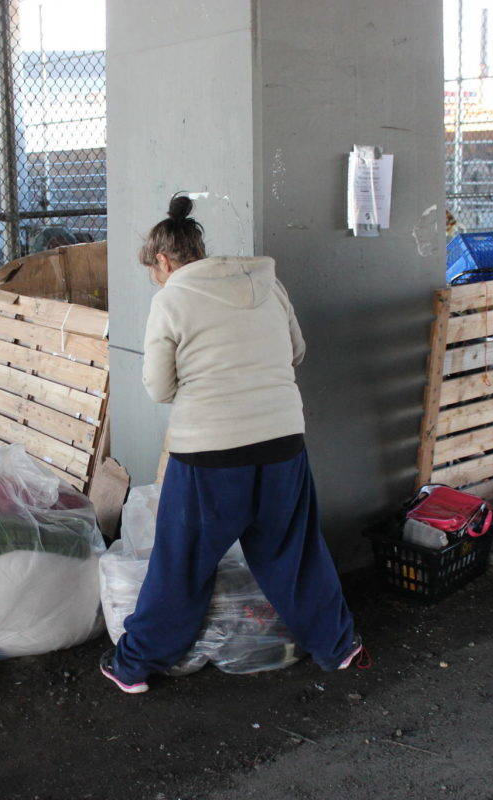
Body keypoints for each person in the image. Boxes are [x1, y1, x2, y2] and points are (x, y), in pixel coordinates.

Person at [98, 195, 360, 694]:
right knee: (295, 553)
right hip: (283, 443)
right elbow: (297, 351)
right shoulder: (267, 283)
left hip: (209, 455)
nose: (156, 279)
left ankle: (135, 665)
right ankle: (339, 645)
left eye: (154, 271)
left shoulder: (171, 298)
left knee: (182, 563)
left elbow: (158, 388)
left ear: (163, 260)